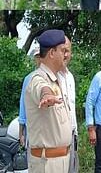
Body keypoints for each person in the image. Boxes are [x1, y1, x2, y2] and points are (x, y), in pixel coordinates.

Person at [24, 29, 73, 173]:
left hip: (60, 161)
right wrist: (47, 94)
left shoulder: (57, 79)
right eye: (63, 51)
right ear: (52, 53)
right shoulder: (37, 78)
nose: (66, 55)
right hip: (47, 164)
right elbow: (42, 88)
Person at [57, 37, 78, 173]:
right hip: (57, 139)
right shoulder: (51, 76)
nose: (65, 55)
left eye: (68, 51)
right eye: (62, 50)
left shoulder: (70, 77)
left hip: (72, 136)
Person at [18, 45, 42, 150]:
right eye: (37, 57)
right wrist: (21, 132)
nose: (39, 59)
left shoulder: (55, 77)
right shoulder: (29, 78)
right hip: (32, 127)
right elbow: (23, 105)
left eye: (41, 56)